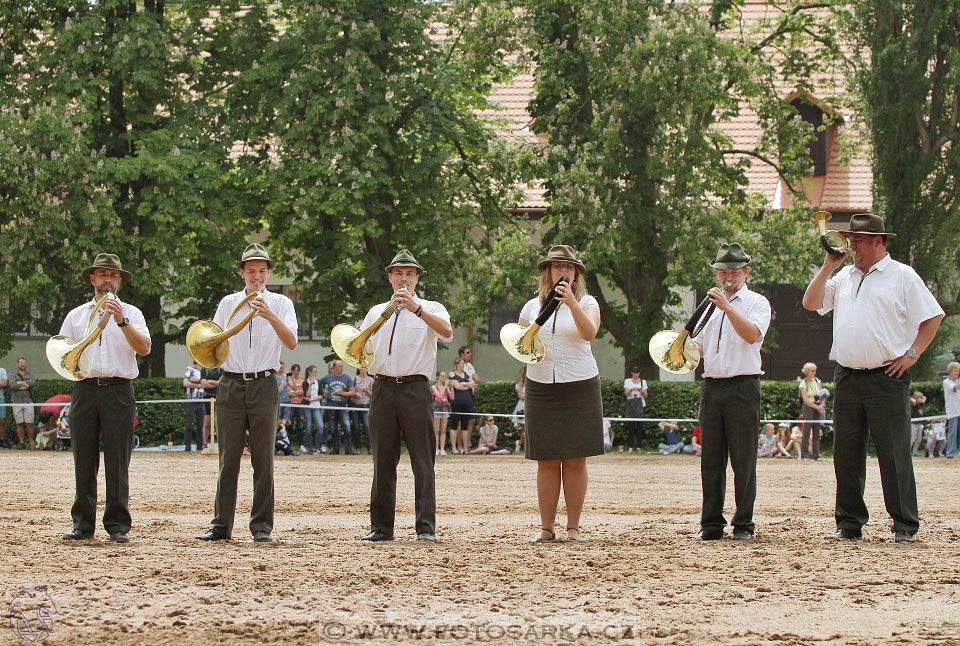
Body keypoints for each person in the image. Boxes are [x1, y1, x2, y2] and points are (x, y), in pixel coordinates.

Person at [802, 212, 944, 544]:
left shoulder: (902, 276)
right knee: (846, 452)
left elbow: (933, 316)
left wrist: (912, 355)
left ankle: (904, 524)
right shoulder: (845, 276)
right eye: (851, 241)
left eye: (858, 241)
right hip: (848, 376)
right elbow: (810, 303)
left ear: (878, 241)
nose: (852, 247)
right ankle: (849, 523)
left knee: (894, 452)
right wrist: (827, 267)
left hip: (887, 377)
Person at [196, 243, 297, 543]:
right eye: (251, 271)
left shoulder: (281, 303)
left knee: (263, 459)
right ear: (241, 272)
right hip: (230, 383)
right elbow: (212, 343)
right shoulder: (228, 303)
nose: (257, 277)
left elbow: (291, 343)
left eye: (262, 271)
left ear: (268, 273)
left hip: (265, 383)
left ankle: (261, 527)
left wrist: (269, 315)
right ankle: (220, 526)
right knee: (228, 459)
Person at [359, 249, 453, 543]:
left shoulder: (432, 306)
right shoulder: (376, 311)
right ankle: (381, 528)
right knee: (383, 462)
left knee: (423, 462)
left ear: (417, 278)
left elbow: (448, 333)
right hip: (383, 387)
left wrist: (417, 309)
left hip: (415, 388)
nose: (404, 278)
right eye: (398, 273)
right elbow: (359, 347)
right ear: (390, 277)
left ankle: (425, 527)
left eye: (409, 274)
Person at [59, 253, 151, 543]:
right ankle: (83, 524)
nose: (107, 279)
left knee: (118, 460)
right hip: (85, 389)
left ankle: (117, 525)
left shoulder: (133, 313)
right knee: (83, 459)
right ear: (92, 279)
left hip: (119, 389)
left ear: (120, 280)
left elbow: (145, 348)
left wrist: (122, 321)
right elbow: (64, 356)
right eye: (102, 274)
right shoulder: (76, 315)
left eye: (113, 275)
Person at [519, 245, 603, 543]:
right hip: (541, 385)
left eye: (569, 267)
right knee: (547, 459)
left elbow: (589, 332)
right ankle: (546, 527)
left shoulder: (588, 302)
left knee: (576, 458)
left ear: (577, 273)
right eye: (557, 266)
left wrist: (571, 303)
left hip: (580, 383)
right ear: (548, 272)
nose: (563, 271)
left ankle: (573, 528)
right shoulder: (531, 307)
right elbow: (522, 344)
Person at [689, 242, 771, 542]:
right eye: (723, 271)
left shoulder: (757, 303)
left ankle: (744, 524)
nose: (728, 277)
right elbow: (699, 346)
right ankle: (710, 524)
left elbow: (752, 335)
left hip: (743, 386)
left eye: (734, 272)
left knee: (743, 459)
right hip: (712, 386)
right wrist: (683, 354)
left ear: (746, 272)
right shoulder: (708, 305)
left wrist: (727, 307)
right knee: (710, 459)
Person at [320, 359, 356, 455]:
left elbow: (353, 392)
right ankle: (336, 449)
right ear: (334, 367)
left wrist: (343, 393)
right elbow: (319, 384)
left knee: (347, 426)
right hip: (331, 405)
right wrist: (324, 393)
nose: (342, 368)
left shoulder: (347, 378)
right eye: (340, 366)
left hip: (343, 405)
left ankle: (348, 449)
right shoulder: (328, 377)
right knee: (333, 428)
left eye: (342, 366)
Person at [448, 357, 476, 455]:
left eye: (464, 364)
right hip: (456, 402)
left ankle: (465, 447)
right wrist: (465, 385)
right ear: (456, 364)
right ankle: (454, 448)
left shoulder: (466, 374)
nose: (463, 365)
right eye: (461, 363)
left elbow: (473, 383)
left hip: (467, 402)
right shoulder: (452, 374)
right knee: (455, 424)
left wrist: (463, 383)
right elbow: (457, 386)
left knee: (465, 426)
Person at [798, 363, 824, 460]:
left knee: (817, 431)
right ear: (807, 372)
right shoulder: (803, 383)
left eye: (815, 371)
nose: (814, 373)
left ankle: (816, 455)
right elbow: (806, 400)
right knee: (807, 430)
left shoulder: (818, 381)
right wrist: (817, 407)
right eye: (812, 371)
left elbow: (822, 395)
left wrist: (821, 405)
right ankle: (804, 455)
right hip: (809, 406)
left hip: (818, 405)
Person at [457, 346, 480, 453]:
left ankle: (467, 443)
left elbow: (477, 380)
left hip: (470, 395)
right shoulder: (458, 366)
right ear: (462, 354)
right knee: (460, 422)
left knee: (471, 420)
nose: (470, 354)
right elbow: (459, 383)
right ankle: (459, 445)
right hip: (461, 395)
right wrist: (469, 384)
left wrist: (468, 383)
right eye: (467, 352)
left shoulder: (470, 365)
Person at [11, 357, 36, 450]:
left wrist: (20, 384)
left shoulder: (30, 375)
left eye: (24, 363)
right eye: (21, 363)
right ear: (17, 364)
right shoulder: (13, 375)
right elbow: (13, 385)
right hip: (16, 402)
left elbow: (32, 383)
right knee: (19, 423)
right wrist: (25, 384)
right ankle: (21, 442)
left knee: (30, 423)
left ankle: (31, 442)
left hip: (28, 401)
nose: (23, 364)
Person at [623, 367, 648, 453]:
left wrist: (641, 391)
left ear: (639, 373)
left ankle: (639, 446)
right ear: (631, 373)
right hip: (631, 406)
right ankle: (630, 446)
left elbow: (646, 396)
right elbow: (626, 394)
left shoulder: (643, 382)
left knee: (639, 428)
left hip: (640, 406)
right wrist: (631, 389)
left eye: (637, 372)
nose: (635, 374)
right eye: (634, 372)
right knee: (631, 428)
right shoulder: (627, 381)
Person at [301, 365, 324, 455]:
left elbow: (321, 395)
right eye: (314, 372)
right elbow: (306, 395)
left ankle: (318, 446)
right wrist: (310, 385)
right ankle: (310, 447)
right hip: (307, 406)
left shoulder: (318, 382)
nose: (315, 373)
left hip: (316, 405)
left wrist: (313, 400)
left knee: (320, 426)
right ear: (309, 372)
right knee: (308, 426)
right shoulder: (305, 382)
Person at [199, 364, 222, 451]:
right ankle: (204, 444)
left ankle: (220, 444)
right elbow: (204, 385)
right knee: (206, 422)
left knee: (220, 422)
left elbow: (221, 383)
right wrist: (215, 383)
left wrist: (209, 381)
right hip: (207, 398)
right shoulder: (204, 370)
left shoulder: (221, 370)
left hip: (219, 397)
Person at [350, 368, 373, 454]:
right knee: (356, 427)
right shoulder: (354, 379)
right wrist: (355, 394)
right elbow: (351, 391)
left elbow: (372, 395)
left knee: (367, 427)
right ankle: (358, 447)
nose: (365, 370)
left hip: (365, 405)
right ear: (359, 369)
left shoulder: (370, 380)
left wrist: (367, 391)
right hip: (355, 405)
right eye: (364, 369)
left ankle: (369, 448)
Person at [183, 360, 204, 452]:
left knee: (200, 425)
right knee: (189, 425)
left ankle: (199, 445)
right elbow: (185, 383)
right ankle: (187, 446)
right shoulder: (190, 372)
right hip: (191, 401)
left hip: (201, 401)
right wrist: (198, 385)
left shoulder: (204, 372)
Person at [431, 370, 453, 456]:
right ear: (438, 377)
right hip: (437, 409)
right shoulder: (434, 387)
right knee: (436, 430)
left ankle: (442, 449)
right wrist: (445, 386)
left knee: (443, 430)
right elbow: (439, 396)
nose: (444, 378)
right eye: (443, 376)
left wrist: (451, 387)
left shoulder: (445, 386)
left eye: (445, 376)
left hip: (444, 409)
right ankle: (436, 448)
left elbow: (451, 396)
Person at [285, 363, 306, 453]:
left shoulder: (302, 380)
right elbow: (288, 393)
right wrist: (296, 392)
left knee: (300, 426)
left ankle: (301, 444)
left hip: (299, 404)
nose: (296, 372)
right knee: (290, 424)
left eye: (298, 370)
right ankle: (288, 444)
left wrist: (294, 392)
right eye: (294, 370)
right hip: (291, 404)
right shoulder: (288, 380)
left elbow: (302, 392)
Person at [943, 362, 960, 459]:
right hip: (953, 411)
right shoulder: (946, 382)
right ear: (950, 371)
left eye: (958, 371)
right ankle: (950, 453)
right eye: (956, 371)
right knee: (952, 432)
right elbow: (954, 389)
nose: (957, 373)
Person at [512, 367, 527, 453]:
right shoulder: (519, 385)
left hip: (530, 406)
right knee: (524, 431)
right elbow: (521, 396)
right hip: (522, 407)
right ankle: (520, 444)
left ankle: (522, 444)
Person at [909, 390, 927, 457]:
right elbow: (912, 400)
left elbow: (925, 398)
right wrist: (914, 399)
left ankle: (915, 451)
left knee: (919, 439)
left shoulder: (921, 404)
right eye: (919, 398)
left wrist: (922, 397)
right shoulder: (915, 405)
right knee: (913, 438)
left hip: (919, 423)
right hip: (914, 423)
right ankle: (908, 451)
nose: (921, 399)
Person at [0, 364, 7, 447]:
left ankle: (1, 440)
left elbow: (4, 383)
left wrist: (2, 383)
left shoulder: (2, 370)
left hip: (0, 399)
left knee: (2, 421)